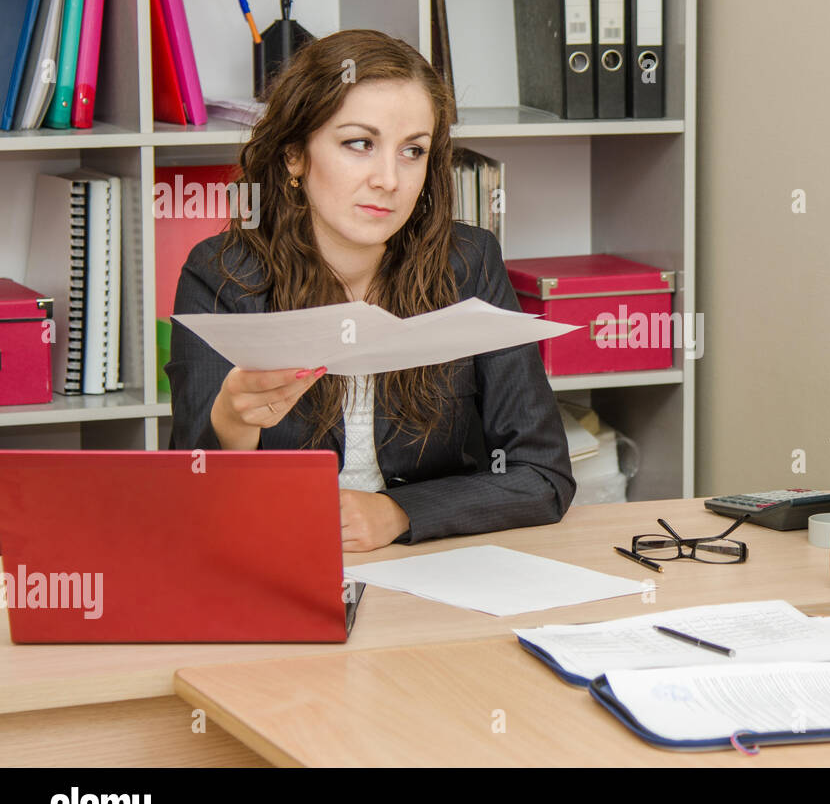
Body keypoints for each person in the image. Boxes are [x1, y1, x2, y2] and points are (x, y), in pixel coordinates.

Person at [166, 29, 575, 551]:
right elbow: (192, 494)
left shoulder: (467, 263)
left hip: (436, 562)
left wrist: (400, 512)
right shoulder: (221, 274)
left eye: (413, 151)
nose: (389, 179)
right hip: (274, 556)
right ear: (295, 155)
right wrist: (231, 425)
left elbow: (543, 477)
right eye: (359, 143)